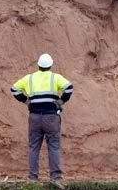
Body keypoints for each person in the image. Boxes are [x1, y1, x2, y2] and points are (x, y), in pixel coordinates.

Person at [10, 53, 74, 182]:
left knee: (33, 147)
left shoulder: (29, 78)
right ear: (50, 65)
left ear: (38, 65)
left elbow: (14, 89)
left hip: (34, 117)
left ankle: (33, 177)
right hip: (51, 116)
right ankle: (55, 177)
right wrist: (61, 102)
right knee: (54, 146)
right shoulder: (55, 78)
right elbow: (69, 87)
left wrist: (26, 101)